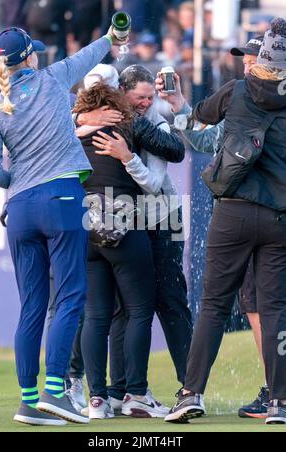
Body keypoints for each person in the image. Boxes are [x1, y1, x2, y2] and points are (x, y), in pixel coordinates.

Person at [0, 25, 125, 426]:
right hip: (62, 199)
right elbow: (90, 55)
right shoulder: (51, 78)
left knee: (31, 305)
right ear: (30, 57)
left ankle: (29, 402)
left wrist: (20, 186)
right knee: (68, 298)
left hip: (20, 208)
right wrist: (113, 39)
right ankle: (55, 392)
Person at [163, 18, 286, 425]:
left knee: (213, 305)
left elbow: (198, 118)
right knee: (275, 311)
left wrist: (182, 105)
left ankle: (191, 393)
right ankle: (279, 403)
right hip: (279, 218)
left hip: (232, 212)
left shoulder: (236, 90)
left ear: (261, 57)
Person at [77, 65, 193, 411]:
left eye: (149, 97)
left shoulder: (149, 121)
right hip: (125, 217)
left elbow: (169, 161)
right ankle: (120, 391)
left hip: (162, 215)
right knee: (120, 310)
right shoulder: (102, 119)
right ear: (121, 94)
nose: (145, 103)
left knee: (170, 301)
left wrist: (126, 154)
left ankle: (190, 387)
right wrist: (83, 117)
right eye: (138, 98)